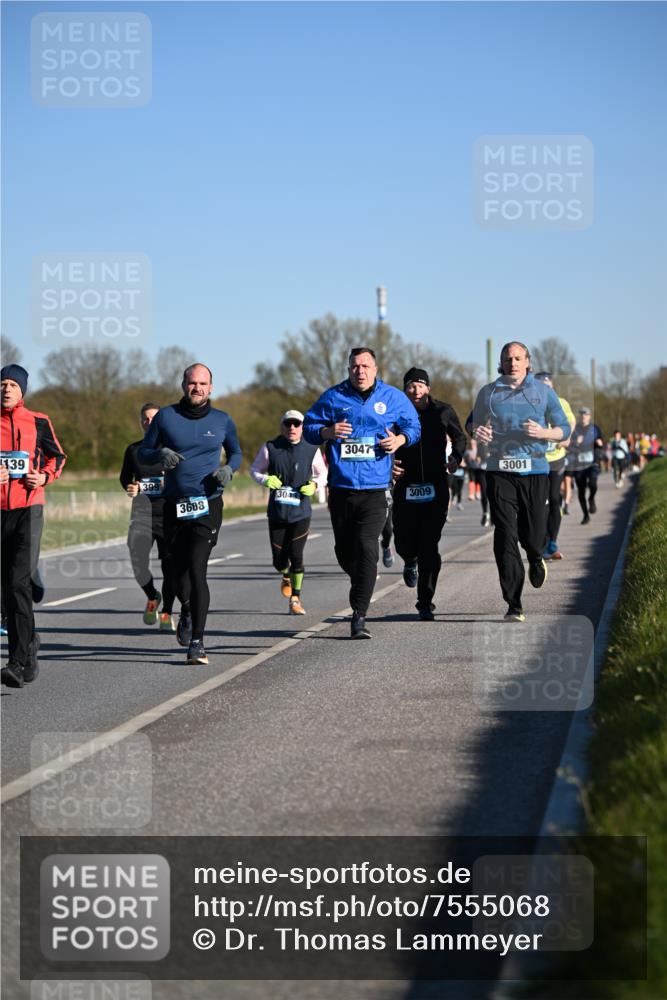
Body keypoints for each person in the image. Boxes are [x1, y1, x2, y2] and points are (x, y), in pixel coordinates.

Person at [303, 346, 420, 638]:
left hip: (376, 489)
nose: (360, 371)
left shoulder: (392, 397)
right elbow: (309, 426)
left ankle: (359, 616)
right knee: (345, 552)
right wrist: (327, 432)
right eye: (355, 366)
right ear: (349, 370)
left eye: (366, 366)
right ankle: (362, 579)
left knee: (368, 547)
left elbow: (413, 426)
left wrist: (400, 440)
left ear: (375, 369)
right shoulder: (333, 397)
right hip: (342, 489)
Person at [139, 363, 242, 664]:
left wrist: (228, 469)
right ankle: (186, 607)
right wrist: (159, 453)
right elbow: (143, 452)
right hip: (174, 505)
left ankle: (197, 642)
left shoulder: (222, 420)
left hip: (207, 504)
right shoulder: (166, 418)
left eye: (202, 383)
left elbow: (236, 452)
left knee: (197, 569)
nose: (197, 388)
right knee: (176, 570)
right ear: (183, 385)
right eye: (191, 383)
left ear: (211, 387)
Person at [471, 342, 570, 622]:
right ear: (501, 364)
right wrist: (478, 432)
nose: (512, 363)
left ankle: (536, 556)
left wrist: (544, 432)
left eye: (517, 358)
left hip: (536, 471)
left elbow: (564, 429)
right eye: (507, 359)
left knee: (533, 533)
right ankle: (514, 603)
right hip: (499, 470)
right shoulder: (488, 393)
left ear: (527, 362)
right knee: (504, 534)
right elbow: (474, 424)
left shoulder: (543, 392)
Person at [1, 364, 66, 687]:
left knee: (17, 583)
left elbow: (59, 456)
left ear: (22, 391)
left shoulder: (38, 421)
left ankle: (15, 661)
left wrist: (44, 476)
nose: (6, 389)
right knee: (6, 589)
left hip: (29, 509)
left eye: (12, 384)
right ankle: (30, 644)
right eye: (2, 384)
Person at [392, 368, 465, 620]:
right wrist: (389, 464)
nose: (416, 390)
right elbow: (381, 440)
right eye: (411, 386)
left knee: (429, 546)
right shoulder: (396, 413)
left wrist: (456, 458)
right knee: (403, 541)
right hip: (405, 487)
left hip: (435, 486)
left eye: (420, 385)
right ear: (405, 389)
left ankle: (425, 602)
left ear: (428, 388)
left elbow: (460, 438)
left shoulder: (443, 411)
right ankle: (408, 560)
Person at [250, 409, 327, 615]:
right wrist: (265, 479)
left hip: (301, 512)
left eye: (296, 424)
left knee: (297, 554)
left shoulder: (312, 448)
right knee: (279, 561)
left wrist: (315, 485)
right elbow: (255, 470)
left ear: (303, 427)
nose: (292, 428)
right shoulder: (270, 448)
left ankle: (296, 598)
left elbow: (324, 474)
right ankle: (284, 574)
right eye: (288, 424)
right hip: (277, 512)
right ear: (282, 426)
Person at [120, 403, 178, 630]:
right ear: (140, 422)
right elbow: (125, 478)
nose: (149, 422)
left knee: (170, 567)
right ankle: (153, 595)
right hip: (142, 515)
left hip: (168, 515)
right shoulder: (133, 450)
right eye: (145, 418)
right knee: (138, 564)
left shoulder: (173, 449)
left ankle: (167, 612)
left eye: (154, 418)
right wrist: (130, 487)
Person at [533, 372, 575, 560]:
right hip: (537, 459)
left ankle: (552, 542)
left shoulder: (562, 402)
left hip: (556, 458)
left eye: (548, 387)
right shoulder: (531, 403)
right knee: (540, 503)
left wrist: (567, 438)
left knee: (554, 499)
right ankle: (541, 543)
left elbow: (570, 423)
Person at [568, 407, 604, 524]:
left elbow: (601, 442)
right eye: (582, 414)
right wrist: (575, 442)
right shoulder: (575, 430)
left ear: (589, 416)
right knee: (581, 490)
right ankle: (585, 515)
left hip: (592, 462)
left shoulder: (595, 428)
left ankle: (591, 498)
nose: (583, 416)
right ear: (579, 416)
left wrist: (599, 443)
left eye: (586, 414)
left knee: (593, 483)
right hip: (579, 463)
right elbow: (568, 445)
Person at [464, 437, 491, 527]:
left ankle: (493, 515)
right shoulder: (479, 445)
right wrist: (477, 458)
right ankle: (485, 513)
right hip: (482, 472)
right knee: (484, 493)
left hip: (493, 472)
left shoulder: (496, 442)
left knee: (494, 494)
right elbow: (474, 456)